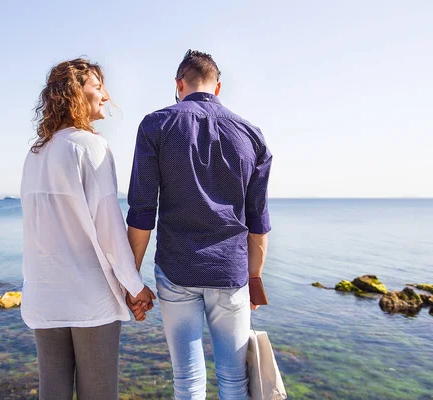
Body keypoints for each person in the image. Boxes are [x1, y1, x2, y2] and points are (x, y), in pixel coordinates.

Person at [126, 50, 273, 400]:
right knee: (235, 381)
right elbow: (259, 222)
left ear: (179, 84)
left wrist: (132, 279)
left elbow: (142, 211)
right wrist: (254, 278)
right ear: (218, 87)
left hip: (177, 270)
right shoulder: (253, 136)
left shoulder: (155, 125)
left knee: (188, 382)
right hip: (230, 272)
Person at [20, 58, 155, 400]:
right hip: (89, 298)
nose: (106, 96)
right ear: (75, 94)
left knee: (53, 392)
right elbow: (109, 229)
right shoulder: (90, 146)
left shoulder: (35, 153)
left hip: (44, 294)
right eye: (97, 87)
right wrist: (136, 288)